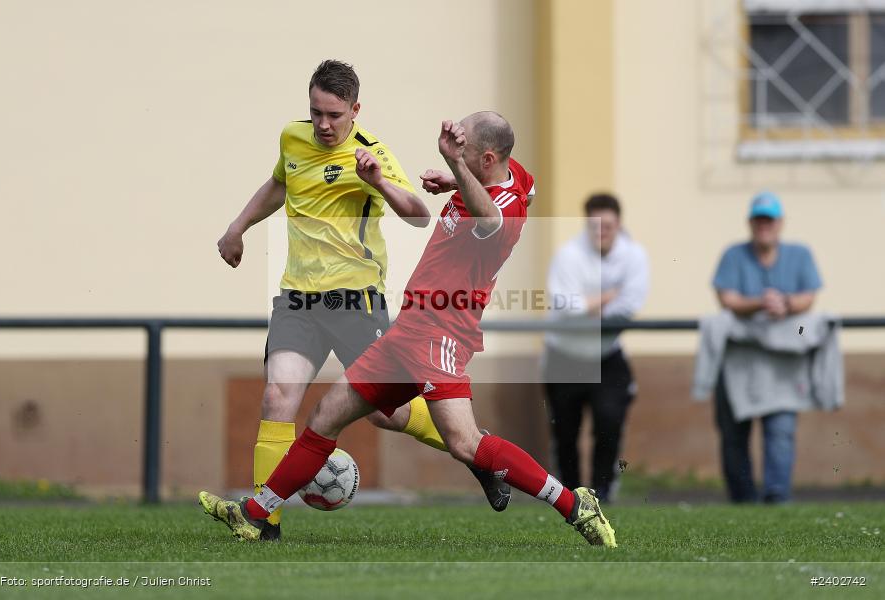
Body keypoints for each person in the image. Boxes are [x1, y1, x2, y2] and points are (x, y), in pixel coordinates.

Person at [200, 112, 617, 547]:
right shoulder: (509, 176)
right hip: (409, 330)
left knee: (466, 443)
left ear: (487, 158)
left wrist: (455, 167)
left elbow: (492, 218)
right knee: (326, 417)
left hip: (440, 332)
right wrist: (458, 177)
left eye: (465, 151)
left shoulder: (499, 214)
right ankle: (252, 513)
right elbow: (521, 186)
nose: (456, 151)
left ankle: (574, 504)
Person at [215, 61, 509, 540]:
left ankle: (480, 457)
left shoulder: (370, 153)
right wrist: (237, 227)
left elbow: (417, 214)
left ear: (355, 110)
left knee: (385, 411)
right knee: (276, 396)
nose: (324, 125)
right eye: (316, 114)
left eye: (334, 115)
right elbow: (278, 184)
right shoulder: (293, 138)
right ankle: (263, 522)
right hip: (298, 301)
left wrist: (378, 182)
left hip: (356, 301)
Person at [711, 191, 822, 503]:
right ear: (750, 222)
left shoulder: (800, 254)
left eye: (769, 220)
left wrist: (784, 303)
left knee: (781, 433)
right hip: (738, 361)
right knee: (733, 435)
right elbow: (726, 298)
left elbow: (809, 296)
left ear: (780, 223)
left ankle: (776, 498)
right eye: (759, 219)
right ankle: (743, 500)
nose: (764, 226)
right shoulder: (733, 255)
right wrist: (760, 302)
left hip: (782, 362)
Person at [543, 193, 649, 501]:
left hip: (607, 355)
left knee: (609, 421)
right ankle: (570, 497)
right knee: (565, 432)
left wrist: (588, 307)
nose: (601, 232)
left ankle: (603, 491)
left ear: (619, 224)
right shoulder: (568, 255)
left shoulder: (634, 256)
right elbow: (564, 305)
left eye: (608, 226)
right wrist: (606, 297)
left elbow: (630, 305)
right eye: (595, 226)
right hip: (563, 355)